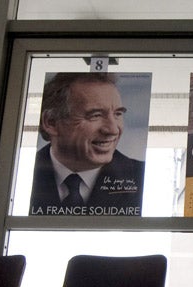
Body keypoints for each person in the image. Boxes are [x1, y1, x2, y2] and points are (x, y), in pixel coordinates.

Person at [30, 72, 144, 216]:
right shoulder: (19, 176)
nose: (113, 129)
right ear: (51, 122)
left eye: (118, 114)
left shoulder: (146, 179)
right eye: (95, 115)